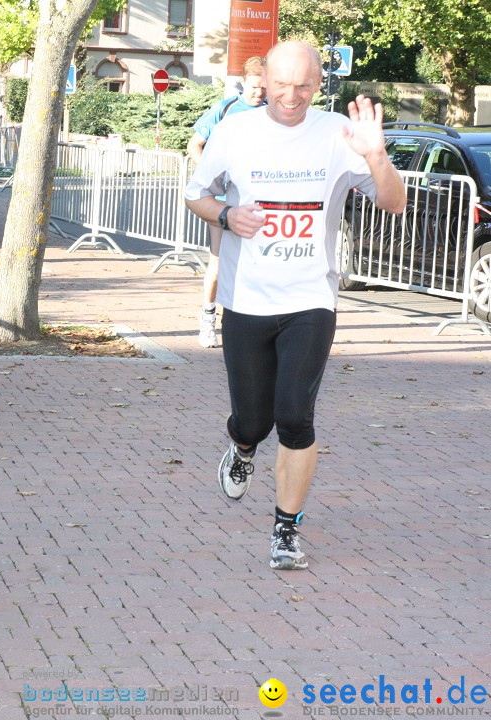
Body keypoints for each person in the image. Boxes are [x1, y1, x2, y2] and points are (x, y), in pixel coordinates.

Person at [184, 41, 405, 570]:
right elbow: (196, 194)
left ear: (318, 83)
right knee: (255, 420)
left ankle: (286, 529)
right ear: (264, 79)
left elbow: (394, 203)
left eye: (303, 86)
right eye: (281, 84)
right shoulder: (235, 131)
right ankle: (241, 447)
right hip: (245, 299)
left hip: (311, 298)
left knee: (295, 417)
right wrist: (225, 216)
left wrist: (375, 155)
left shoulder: (338, 134)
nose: (291, 96)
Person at [186, 56, 267, 348]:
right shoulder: (226, 108)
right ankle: (207, 319)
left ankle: (248, 322)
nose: (260, 92)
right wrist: (210, 176)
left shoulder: (273, 112)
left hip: (257, 202)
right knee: (219, 262)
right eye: (255, 86)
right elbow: (194, 144)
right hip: (222, 201)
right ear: (244, 82)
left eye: (264, 87)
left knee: (258, 263)